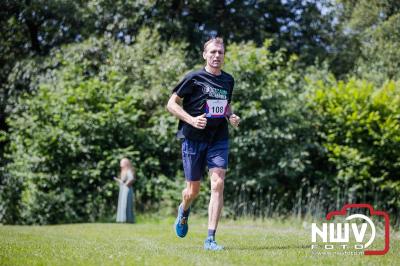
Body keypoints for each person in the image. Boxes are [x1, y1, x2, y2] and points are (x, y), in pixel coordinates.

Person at [167, 37, 240, 251]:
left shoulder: (228, 80)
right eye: (213, 52)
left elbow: (225, 106)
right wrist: (191, 119)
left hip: (218, 138)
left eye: (220, 52)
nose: (217, 56)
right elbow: (171, 104)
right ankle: (184, 210)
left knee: (217, 183)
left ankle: (210, 239)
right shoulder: (194, 78)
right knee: (193, 191)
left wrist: (231, 116)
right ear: (205, 55)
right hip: (192, 138)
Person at [114, 158, 136, 223]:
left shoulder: (128, 170)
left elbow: (131, 178)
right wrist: (119, 181)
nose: (120, 164)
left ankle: (128, 220)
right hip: (123, 190)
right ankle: (122, 219)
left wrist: (126, 184)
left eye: (122, 162)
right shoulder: (123, 171)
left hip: (127, 190)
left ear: (125, 163)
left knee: (126, 204)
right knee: (122, 204)